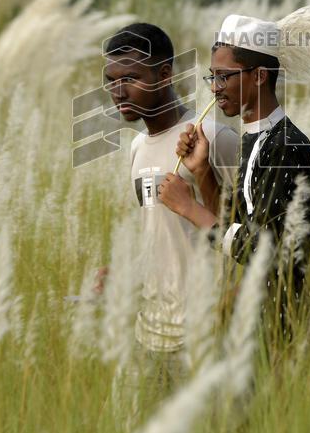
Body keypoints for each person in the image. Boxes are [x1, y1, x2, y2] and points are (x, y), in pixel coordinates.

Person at [97, 23, 239, 417]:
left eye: (131, 78)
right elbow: (159, 235)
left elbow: (239, 234)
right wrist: (125, 272)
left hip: (202, 335)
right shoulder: (138, 148)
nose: (118, 91)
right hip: (150, 333)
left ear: (165, 74)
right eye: (111, 80)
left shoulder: (213, 136)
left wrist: (204, 176)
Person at [158, 14, 310, 349]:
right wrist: (202, 172)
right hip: (253, 328)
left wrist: (189, 208)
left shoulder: (284, 146)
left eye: (224, 77)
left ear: (259, 76)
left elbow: (263, 249)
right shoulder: (253, 138)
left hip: (282, 331)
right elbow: (234, 224)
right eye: (212, 77)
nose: (215, 88)